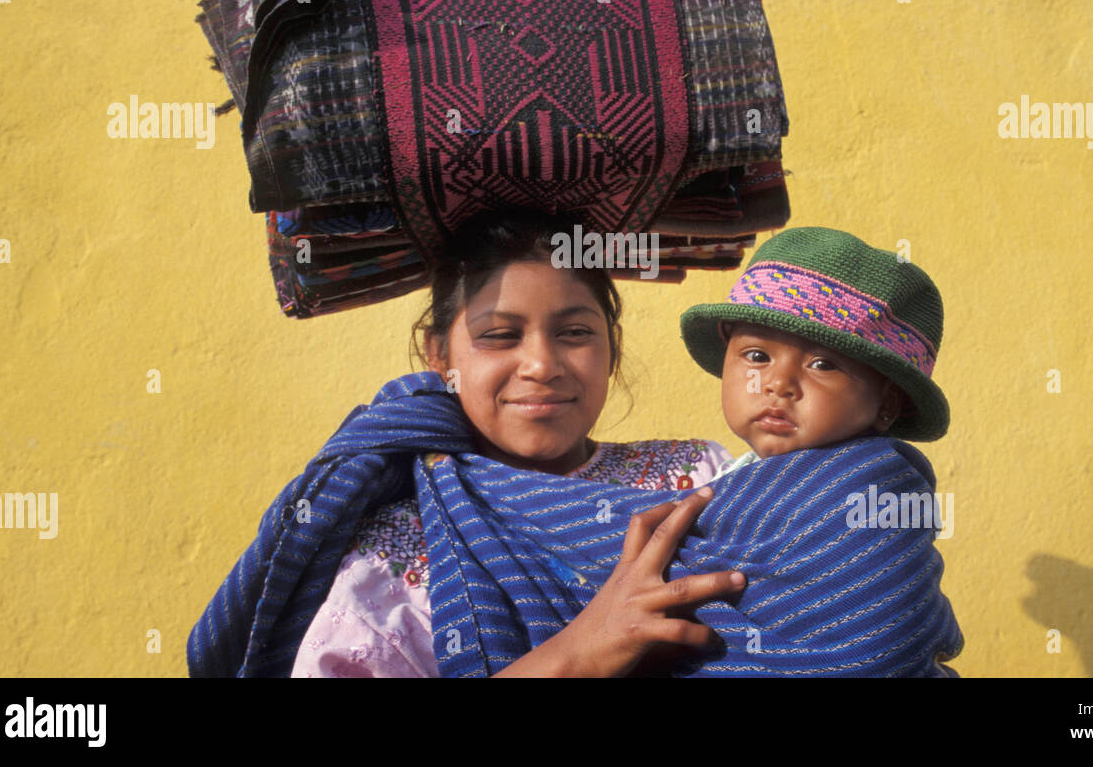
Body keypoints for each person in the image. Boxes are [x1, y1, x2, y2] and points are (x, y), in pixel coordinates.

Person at [191, 208, 748, 678]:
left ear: (612, 346)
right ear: (440, 356)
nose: (541, 365)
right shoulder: (391, 559)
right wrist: (580, 652)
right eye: (499, 336)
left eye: (575, 333)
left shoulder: (698, 476)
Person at [680, 226, 951, 484]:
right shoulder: (735, 476)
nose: (778, 384)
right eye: (758, 357)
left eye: (822, 365)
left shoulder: (871, 489)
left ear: (887, 405)